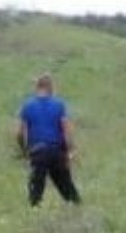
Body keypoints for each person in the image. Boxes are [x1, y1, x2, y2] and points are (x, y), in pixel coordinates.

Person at [17, 73, 80, 206]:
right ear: (50, 87)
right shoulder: (59, 104)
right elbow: (66, 130)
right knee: (66, 186)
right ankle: (76, 207)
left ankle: (34, 210)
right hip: (57, 151)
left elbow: (21, 133)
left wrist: (24, 151)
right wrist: (70, 151)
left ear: (37, 87)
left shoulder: (27, 105)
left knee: (36, 190)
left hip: (37, 151)